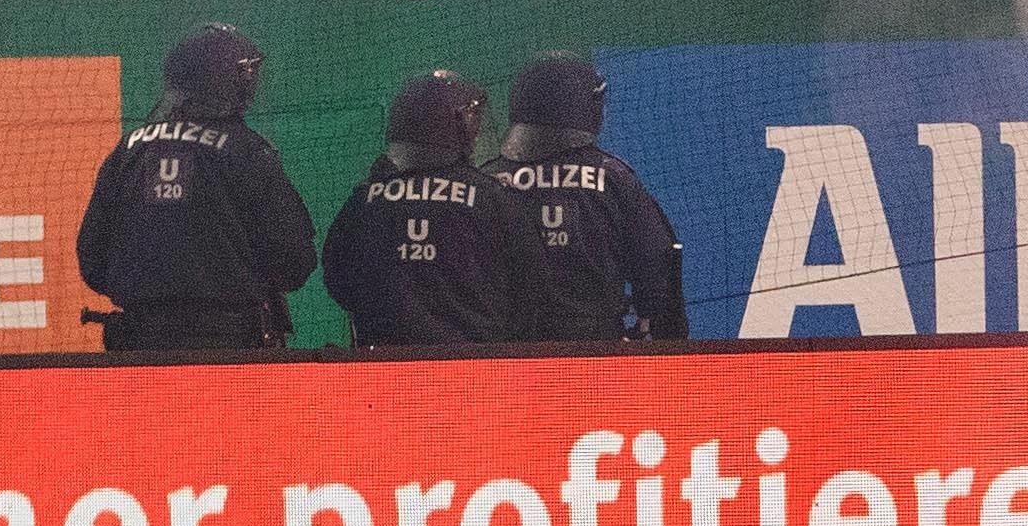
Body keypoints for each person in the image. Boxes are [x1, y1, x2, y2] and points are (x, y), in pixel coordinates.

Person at [73, 23, 316, 352]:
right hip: (231, 348)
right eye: (244, 73)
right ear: (223, 80)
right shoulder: (248, 151)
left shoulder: (129, 151)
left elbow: (92, 258)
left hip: (139, 345)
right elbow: (293, 260)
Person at [319, 69, 538, 350]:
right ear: (456, 125)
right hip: (476, 371)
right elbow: (530, 286)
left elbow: (338, 279)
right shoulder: (492, 198)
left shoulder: (366, 199)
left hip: (384, 369)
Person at [480, 53, 688, 344]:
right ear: (590, 108)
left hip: (503, 359)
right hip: (594, 355)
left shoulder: (483, 182)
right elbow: (656, 269)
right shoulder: (613, 178)